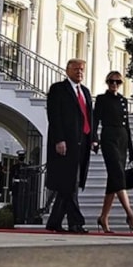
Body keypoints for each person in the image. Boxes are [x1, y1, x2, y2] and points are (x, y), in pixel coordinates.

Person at [44, 58, 99, 233]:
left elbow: (89, 117)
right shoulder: (58, 89)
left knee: (68, 184)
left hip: (83, 142)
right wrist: (59, 140)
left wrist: (93, 138)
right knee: (70, 183)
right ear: (67, 70)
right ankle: (76, 222)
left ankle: (54, 222)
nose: (79, 72)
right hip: (66, 143)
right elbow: (54, 116)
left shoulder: (86, 92)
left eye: (82, 69)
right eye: (76, 69)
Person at [93, 71, 133, 232]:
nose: (114, 84)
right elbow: (95, 120)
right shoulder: (102, 99)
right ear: (107, 83)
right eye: (111, 81)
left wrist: (131, 150)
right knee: (118, 176)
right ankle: (130, 215)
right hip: (108, 138)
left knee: (113, 179)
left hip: (122, 140)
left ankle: (103, 217)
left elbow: (127, 125)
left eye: (117, 82)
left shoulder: (123, 100)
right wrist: (94, 138)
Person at [10, 149, 27, 224]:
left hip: (24, 187)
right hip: (16, 187)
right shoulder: (14, 167)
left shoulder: (26, 167)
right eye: (20, 157)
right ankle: (15, 219)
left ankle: (22, 219)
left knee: (23, 204)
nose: (21, 158)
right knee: (15, 204)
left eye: (22, 157)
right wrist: (11, 189)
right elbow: (11, 178)